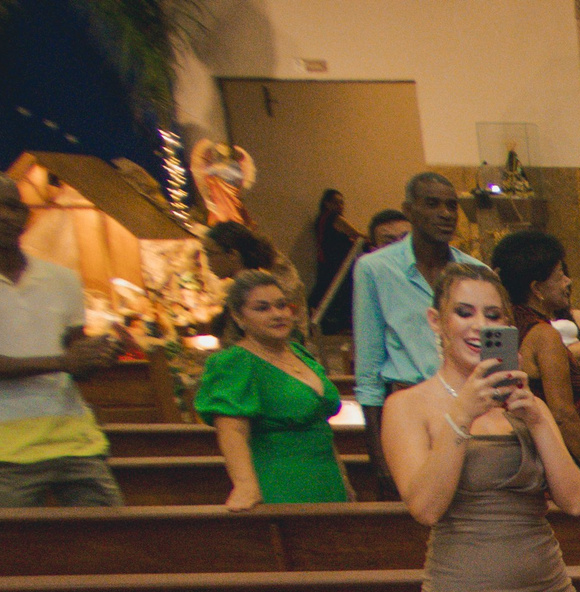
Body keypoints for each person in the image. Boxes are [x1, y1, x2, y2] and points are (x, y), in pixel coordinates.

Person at [381, 262, 580, 592]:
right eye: (464, 312)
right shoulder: (408, 406)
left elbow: (575, 502)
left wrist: (538, 420)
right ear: (436, 321)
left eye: (492, 316)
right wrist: (460, 416)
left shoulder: (528, 403)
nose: (478, 326)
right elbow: (425, 507)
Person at [0, 170, 125, 507]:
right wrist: (64, 362)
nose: (4, 216)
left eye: (11, 206)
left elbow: (75, 362)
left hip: (75, 438)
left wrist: (99, 354)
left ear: (25, 214)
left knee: (113, 543)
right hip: (6, 445)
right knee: (19, 553)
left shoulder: (61, 278)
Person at [354, 173, 482, 500]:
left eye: (452, 206)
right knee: (421, 510)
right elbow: (368, 371)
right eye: (433, 204)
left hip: (468, 404)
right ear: (409, 211)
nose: (446, 213)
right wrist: (378, 456)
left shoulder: (475, 272)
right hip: (408, 405)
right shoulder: (376, 269)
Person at [194, 270, 352, 508]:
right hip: (281, 483)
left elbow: (321, 426)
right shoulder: (235, 362)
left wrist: (344, 480)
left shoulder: (300, 354)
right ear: (238, 317)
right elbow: (232, 432)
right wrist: (246, 487)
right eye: (262, 308)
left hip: (327, 479)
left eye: (281, 305)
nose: (277, 314)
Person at [490, 230, 580, 501]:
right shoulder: (544, 335)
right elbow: (562, 414)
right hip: (554, 460)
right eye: (559, 275)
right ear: (536, 289)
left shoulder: (506, 327)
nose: (567, 281)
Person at [310, 189, 363, 334]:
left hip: (326, 263)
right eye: (336, 202)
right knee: (341, 295)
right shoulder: (334, 218)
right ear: (327, 204)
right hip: (338, 265)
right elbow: (355, 234)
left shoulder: (320, 220)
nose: (340, 206)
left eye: (341, 202)